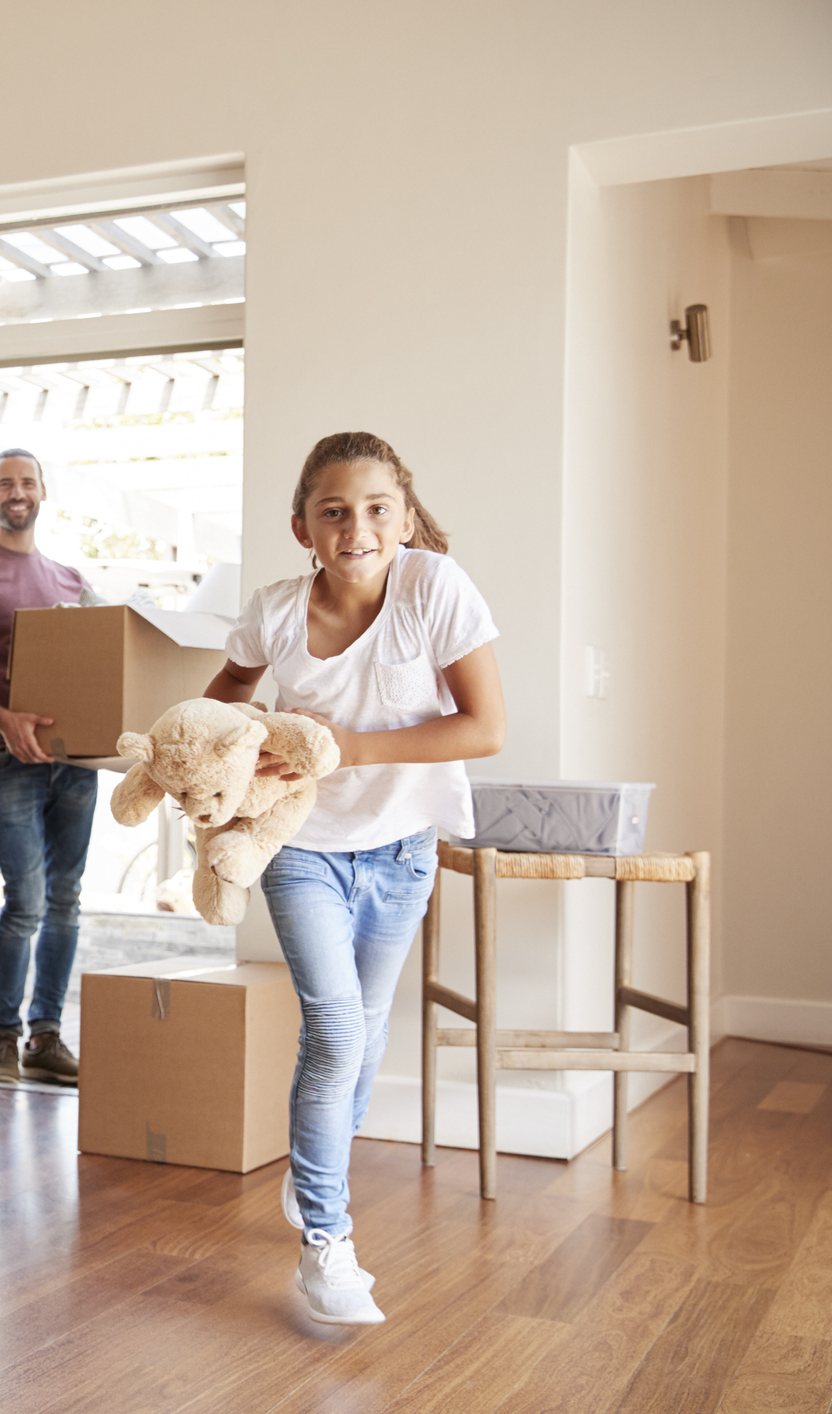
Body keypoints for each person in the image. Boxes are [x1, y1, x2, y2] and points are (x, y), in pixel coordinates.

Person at [205, 431, 504, 1326]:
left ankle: (312, 1170)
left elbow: (484, 727)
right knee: (335, 1031)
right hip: (299, 847)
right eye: (333, 511)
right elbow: (219, 698)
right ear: (302, 526)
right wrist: (231, 753)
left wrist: (336, 748)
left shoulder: (433, 589)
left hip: (403, 846)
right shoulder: (275, 609)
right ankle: (325, 1243)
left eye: (376, 509)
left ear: (405, 519)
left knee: (364, 1030)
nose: (356, 526)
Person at [0, 449, 93, 1085]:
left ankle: (46, 1037)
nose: (18, 492)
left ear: (43, 492)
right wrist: (7, 721)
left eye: (28, 482)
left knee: (66, 901)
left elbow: (102, 663)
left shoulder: (72, 581)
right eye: (7, 483)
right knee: (25, 901)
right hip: (8, 758)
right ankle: (4, 1037)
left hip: (75, 761)